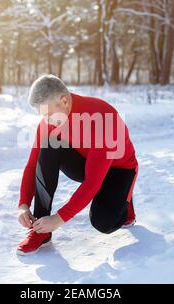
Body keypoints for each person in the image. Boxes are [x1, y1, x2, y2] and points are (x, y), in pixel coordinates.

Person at [17, 75, 138, 255]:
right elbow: (32, 165)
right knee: (49, 145)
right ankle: (41, 231)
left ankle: (125, 202)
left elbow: (92, 183)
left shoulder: (101, 119)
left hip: (119, 170)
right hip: (88, 163)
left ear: (64, 101)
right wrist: (23, 205)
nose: (47, 120)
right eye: (43, 115)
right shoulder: (51, 121)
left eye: (49, 114)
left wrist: (59, 219)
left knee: (104, 223)